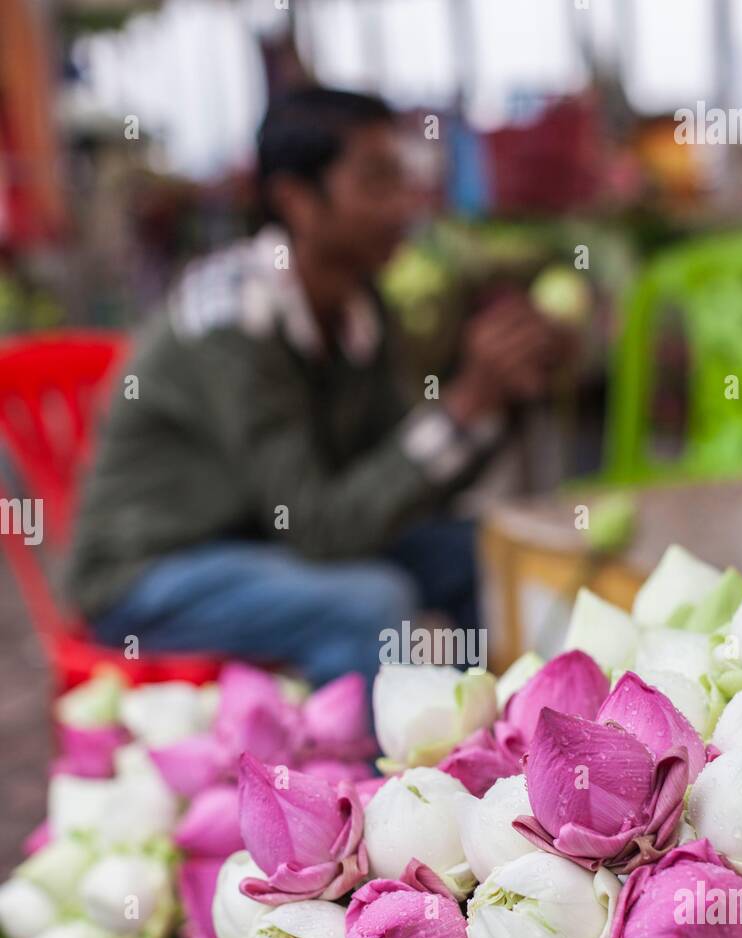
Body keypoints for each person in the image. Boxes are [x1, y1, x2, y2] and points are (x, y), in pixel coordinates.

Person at [68, 87, 561, 689]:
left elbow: (392, 486)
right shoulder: (234, 320)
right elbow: (319, 527)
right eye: (377, 183)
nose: (406, 206)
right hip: (153, 572)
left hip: (271, 551)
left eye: (404, 181)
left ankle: (483, 748)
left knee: (480, 552)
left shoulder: (358, 305)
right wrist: (464, 405)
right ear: (296, 200)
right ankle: (355, 777)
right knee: (371, 602)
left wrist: (495, 400)